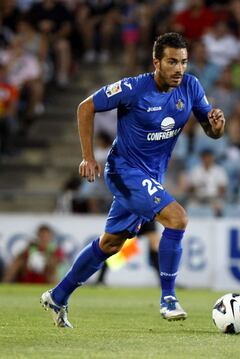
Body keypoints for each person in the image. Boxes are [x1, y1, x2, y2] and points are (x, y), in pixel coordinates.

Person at [40, 32, 225, 328]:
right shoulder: (133, 88)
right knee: (177, 219)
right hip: (123, 171)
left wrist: (217, 127)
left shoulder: (190, 86)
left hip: (151, 177)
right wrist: (88, 157)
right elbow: (85, 107)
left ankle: (58, 295)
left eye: (184, 62)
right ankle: (168, 298)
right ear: (156, 62)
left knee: (111, 244)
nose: (180, 69)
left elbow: (211, 130)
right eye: (172, 62)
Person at [96, 220, 161, 285]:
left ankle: (163, 281)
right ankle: (100, 279)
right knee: (114, 246)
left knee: (154, 247)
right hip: (133, 217)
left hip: (146, 217)